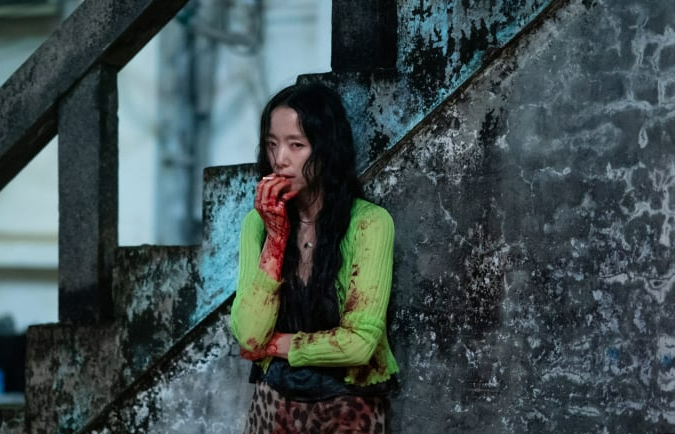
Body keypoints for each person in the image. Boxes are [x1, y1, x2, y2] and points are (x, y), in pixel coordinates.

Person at [230, 82, 398, 434]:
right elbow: (249, 335)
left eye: (296, 145)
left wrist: (276, 345)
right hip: (273, 405)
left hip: (348, 407)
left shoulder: (369, 223)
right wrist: (276, 238)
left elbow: (359, 344)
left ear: (325, 150)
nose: (280, 159)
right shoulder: (256, 224)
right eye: (272, 144)